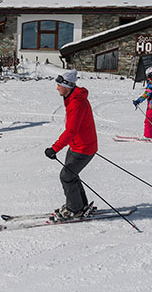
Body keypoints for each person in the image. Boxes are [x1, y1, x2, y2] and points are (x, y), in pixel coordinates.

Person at [44, 70, 98, 221]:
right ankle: (80, 205)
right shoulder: (72, 97)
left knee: (66, 176)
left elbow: (71, 130)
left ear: (67, 86)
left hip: (84, 147)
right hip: (77, 145)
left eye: (59, 85)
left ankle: (75, 210)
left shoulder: (77, 102)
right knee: (71, 175)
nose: (57, 88)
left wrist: (54, 148)